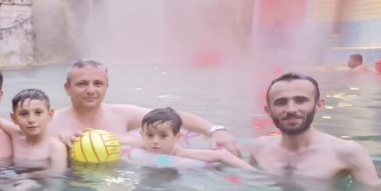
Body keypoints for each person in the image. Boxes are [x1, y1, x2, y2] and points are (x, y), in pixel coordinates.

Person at [250, 72, 381, 191]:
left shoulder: (346, 152)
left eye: (301, 101)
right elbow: (250, 183)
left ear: (318, 105)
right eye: (281, 102)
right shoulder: (260, 147)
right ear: (268, 111)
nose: (291, 109)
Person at [50, 59, 241, 156]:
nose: (91, 90)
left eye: (98, 84)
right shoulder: (52, 124)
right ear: (67, 88)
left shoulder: (122, 114)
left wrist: (215, 130)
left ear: (107, 86)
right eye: (82, 84)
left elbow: (174, 117)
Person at [126, 107, 255, 171]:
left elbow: (221, 155)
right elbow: (120, 139)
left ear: (176, 137)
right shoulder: (141, 144)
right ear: (142, 135)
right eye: (149, 135)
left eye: (163, 136)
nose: (155, 141)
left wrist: (252, 173)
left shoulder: (181, 153)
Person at [0, 88, 68, 177]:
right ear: (14, 118)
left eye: (38, 113)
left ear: (50, 115)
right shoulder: (16, 135)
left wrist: (28, 176)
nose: (31, 120)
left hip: (42, 182)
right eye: (24, 114)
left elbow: (57, 172)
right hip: (15, 176)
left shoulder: (55, 147)